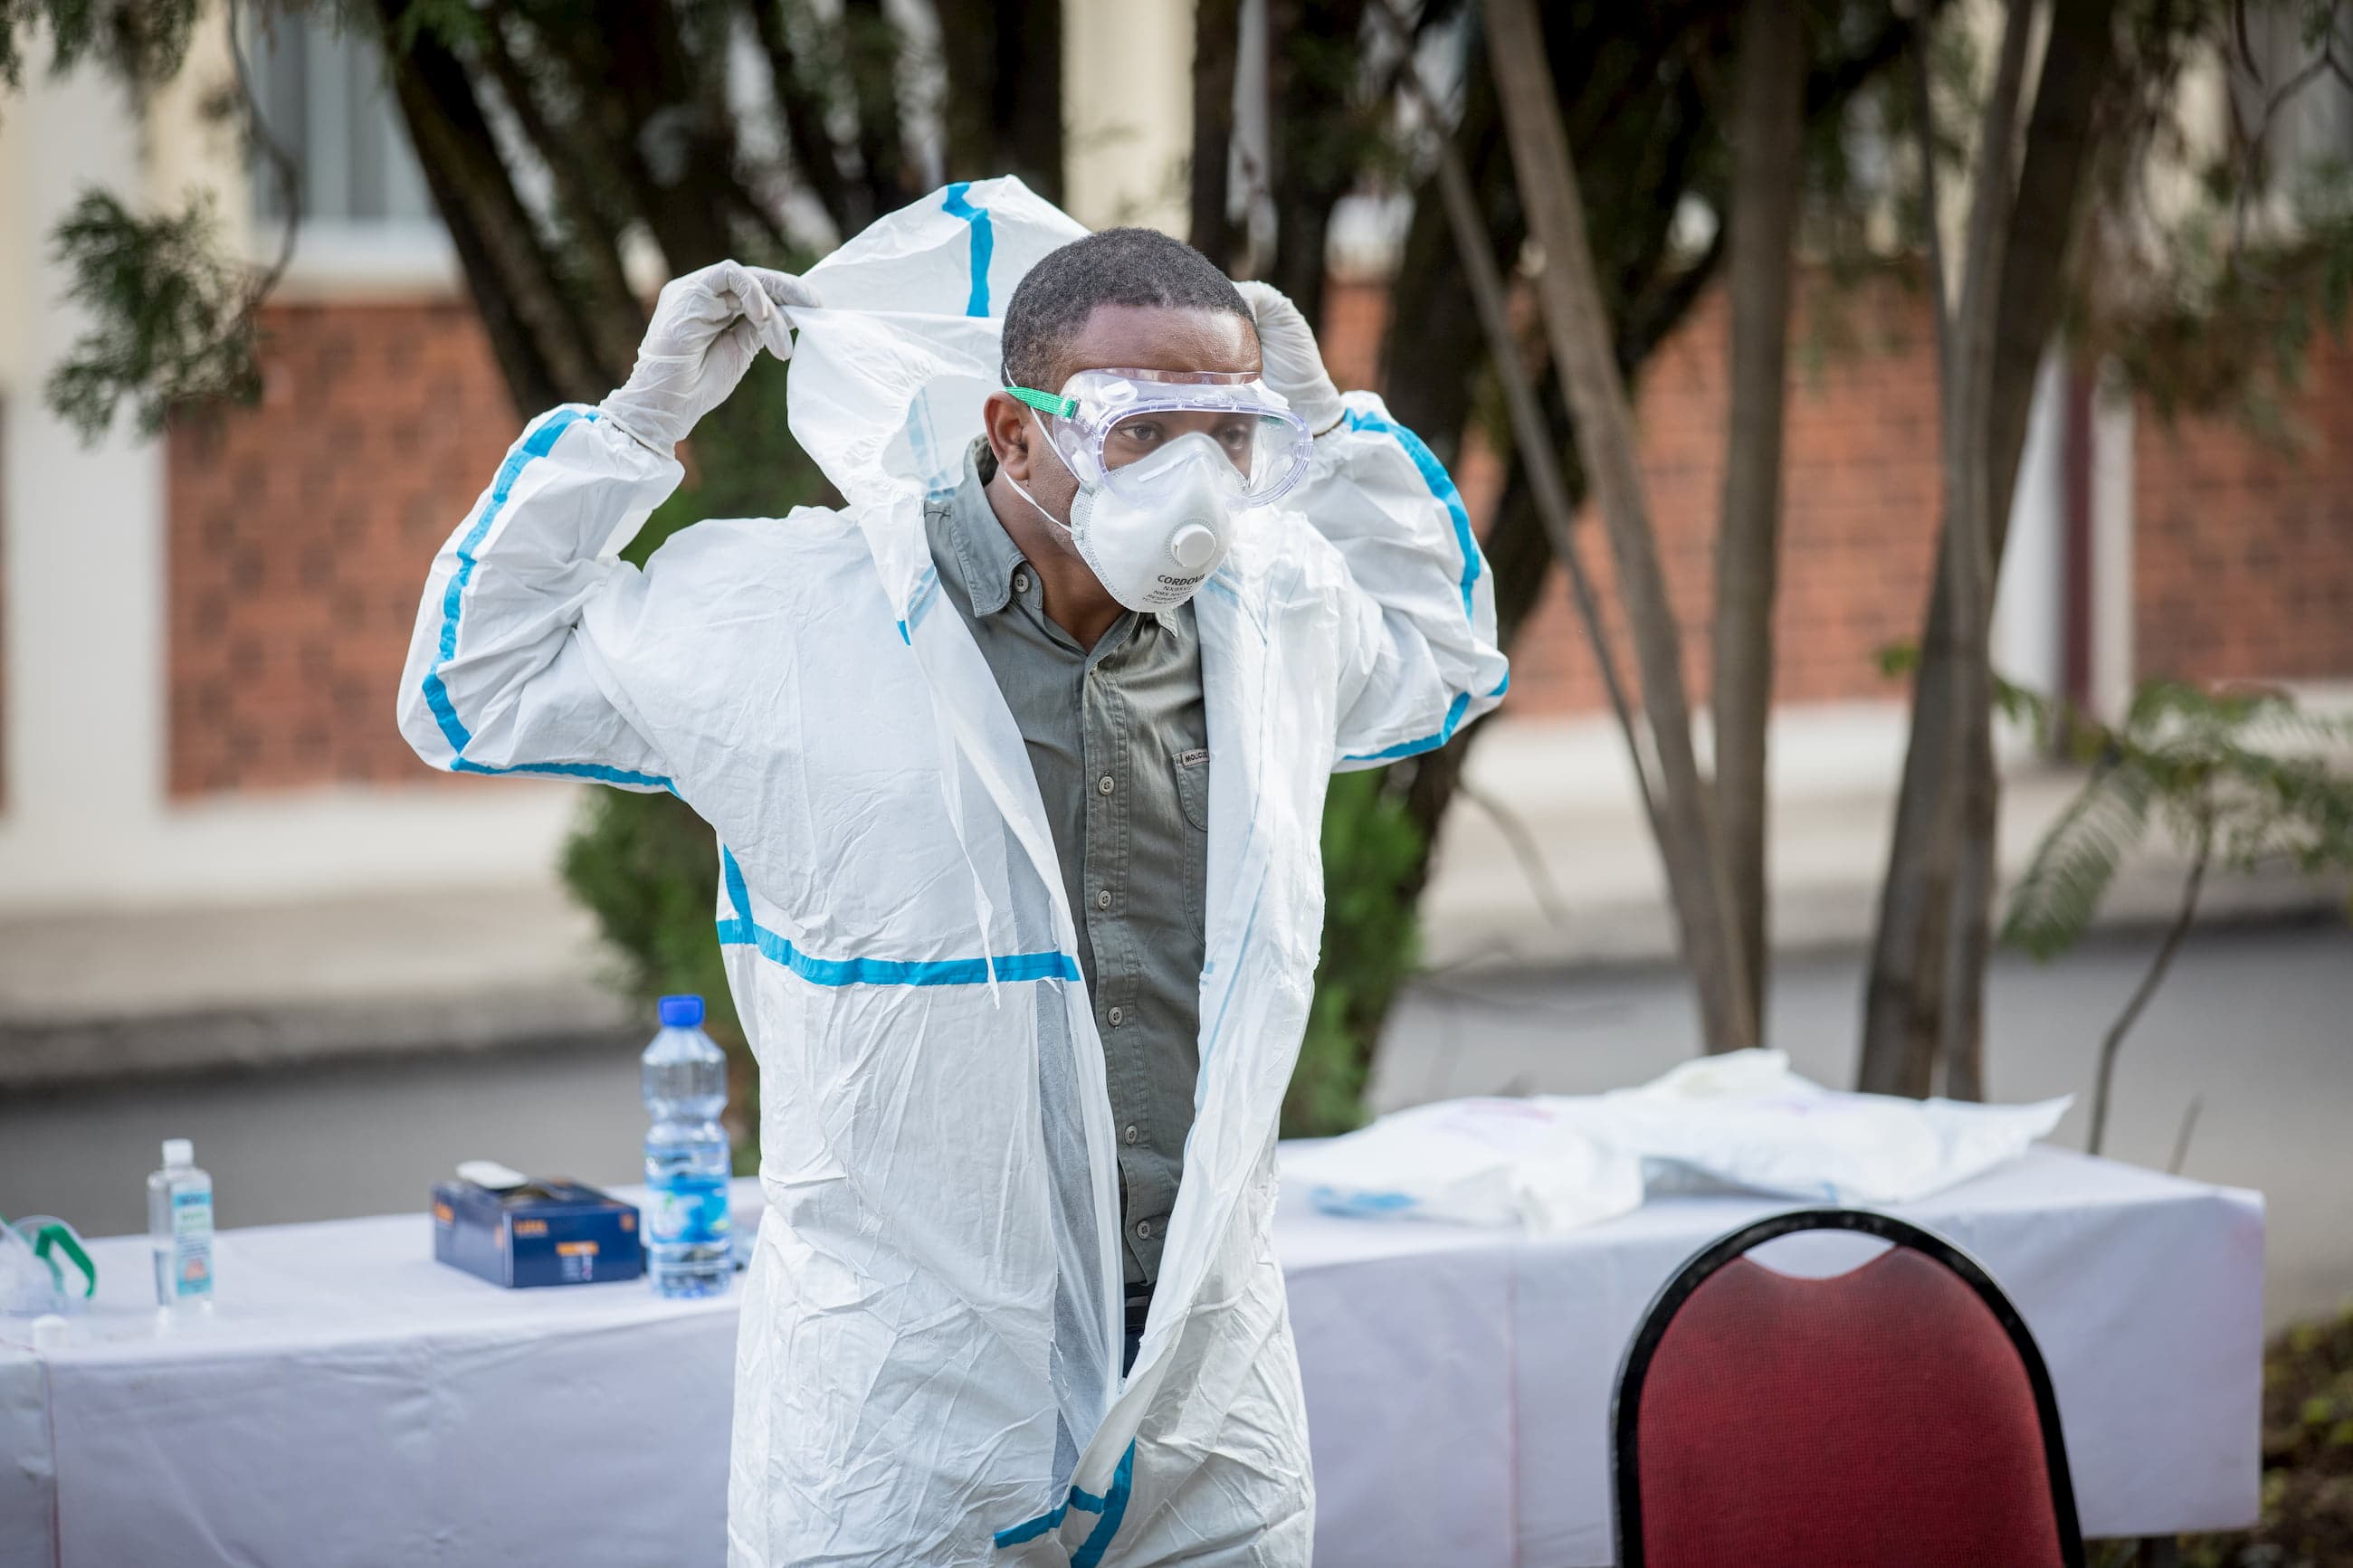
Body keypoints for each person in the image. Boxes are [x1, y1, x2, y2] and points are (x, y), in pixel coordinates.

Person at [397, 178, 1506, 1567]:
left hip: (1200, 1401)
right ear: (1016, 431)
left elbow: (1450, 653)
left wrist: (1336, 437)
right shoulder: (796, 618)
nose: (1198, 478)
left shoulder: (1273, 613)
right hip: (902, 1422)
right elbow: (467, 684)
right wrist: (631, 431)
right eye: (1140, 428)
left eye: (1231, 432)